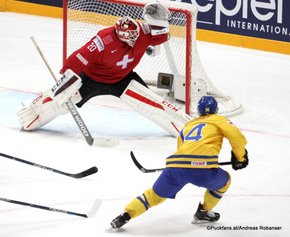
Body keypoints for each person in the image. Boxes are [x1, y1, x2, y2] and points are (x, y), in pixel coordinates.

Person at [17, 1, 190, 136]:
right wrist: (66, 77)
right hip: (92, 80)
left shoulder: (143, 31)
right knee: (60, 101)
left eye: (134, 36)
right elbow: (78, 57)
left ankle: (186, 128)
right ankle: (31, 115)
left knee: (154, 103)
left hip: (122, 79)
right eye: (129, 38)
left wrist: (163, 21)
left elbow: (164, 35)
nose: (133, 40)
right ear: (120, 35)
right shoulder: (103, 40)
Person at [110, 95, 249, 229]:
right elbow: (236, 136)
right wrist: (240, 157)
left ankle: (125, 215)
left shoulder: (189, 124)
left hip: (176, 166)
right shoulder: (218, 119)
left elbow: (181, 147)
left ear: (199, 111)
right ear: (216, 110)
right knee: (225, 181)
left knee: (153, 196)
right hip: (202, 169)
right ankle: (204, 212)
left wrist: (184, 166)